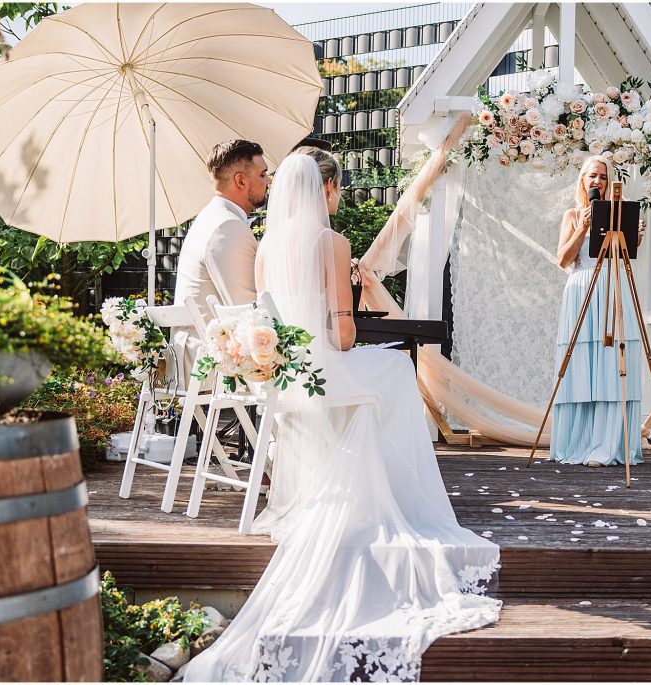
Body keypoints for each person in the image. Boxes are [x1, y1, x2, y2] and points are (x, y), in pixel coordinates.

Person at [182, 150, 500, 682]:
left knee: (383, 375)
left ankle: (356, 480)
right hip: (326, 374)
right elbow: (345, 335)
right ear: (324, 192)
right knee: (397, 372)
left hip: (292, 380)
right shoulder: (333, 244)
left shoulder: (265, 250)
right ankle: (393, 494)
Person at [550, 155, 646, 468]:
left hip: (613, 289)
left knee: (609, 366)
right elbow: (563, 259)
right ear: (583, 180)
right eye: (593, 176)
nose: (598, 182)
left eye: (603, 177)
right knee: (579, 366)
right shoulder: (572, 214)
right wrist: (583, 227)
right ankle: (576, 442)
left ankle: (607, 445)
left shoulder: (618, 214)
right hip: (581, 290)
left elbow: (623, 258)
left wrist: (635, 237)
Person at [172, 140, 270, 379]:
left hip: (194, 363)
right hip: (214, 372)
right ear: (241, 181)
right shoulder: (227, 226)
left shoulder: (209, 218)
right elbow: (247, 312)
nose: (268, 181)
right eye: (263, 174)